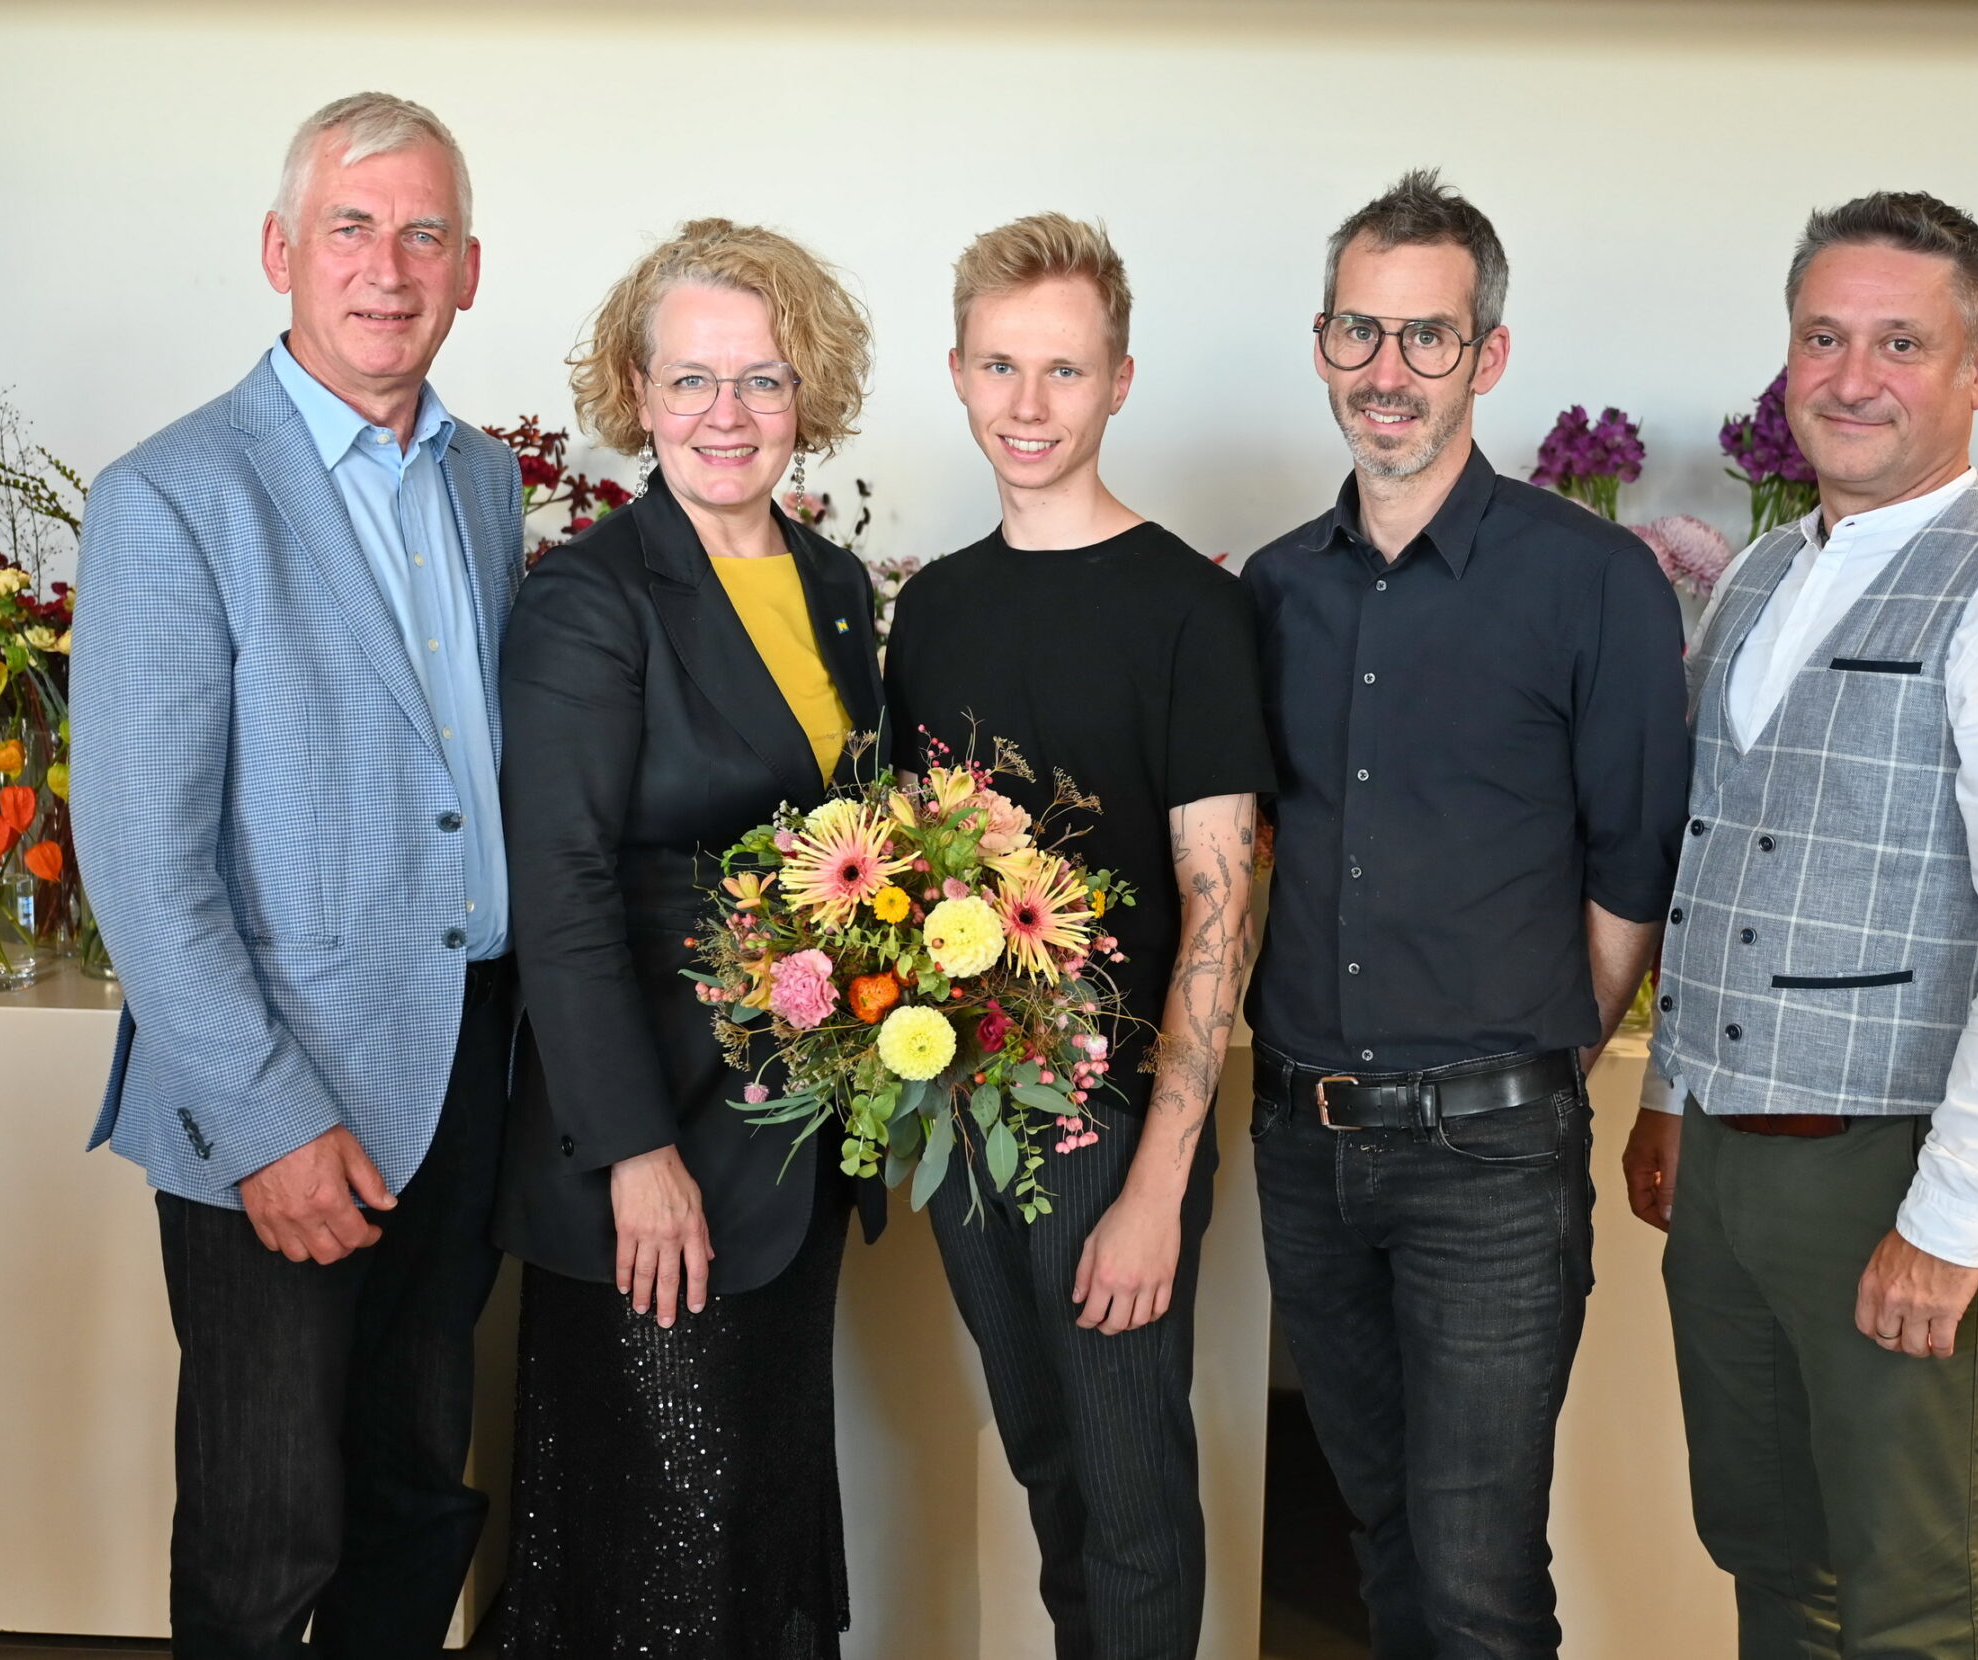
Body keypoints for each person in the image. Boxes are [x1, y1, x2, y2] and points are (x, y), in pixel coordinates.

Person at [1621, 191, 1978, 1659]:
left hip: (1898, 1174)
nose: (1851, 376)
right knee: (1768, 1558)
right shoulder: (1759, 576)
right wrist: (1674, 1096)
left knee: (1911, 1602)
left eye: (1901, 343)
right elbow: (1716, 859)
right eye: (1824, 336)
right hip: (1735, 1168)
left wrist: (1948, 1217)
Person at [73, 93, 520, 1657]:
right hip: (276, 1099)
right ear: (280, 251)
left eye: (423, 234)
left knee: (416, 1503)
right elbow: (140, 858)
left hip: (462, 1070)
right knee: (271, 1544)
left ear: (470, 267)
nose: (387, 268)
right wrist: (271, 1124)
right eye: (351, 226)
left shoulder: (482, 483)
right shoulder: (173, 497)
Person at [1239, 169, 1690, 1660]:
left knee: (1483, 1578)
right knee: (1376, 1538)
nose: (1388, 372)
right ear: (1321, 345)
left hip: (1492, 1154)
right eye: (1358, 334)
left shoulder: (1594, 583)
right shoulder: (1271, 589)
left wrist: (1534, 1056)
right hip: (1305, 1141)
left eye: (1425, 338)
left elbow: (1635, 867)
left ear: (1487, 355)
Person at [491, 218, 886, 1659]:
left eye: (764, 380)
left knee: (756, 1542)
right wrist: (635, 1155)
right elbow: (565, 891)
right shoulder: (588, 600)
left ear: (810, 393)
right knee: (654, 1570)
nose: (728, 415)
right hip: (653, 1163)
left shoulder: (835, 591)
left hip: (793, 1151)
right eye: (694, 381)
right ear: (638, 394)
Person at [882, 213, 1272, 1660]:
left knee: (1130, 1496)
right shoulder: (934, 607)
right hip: (960, 1104)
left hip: (1112, 1121)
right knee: (1047, 1465)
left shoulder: (1193, 610)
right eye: (1001, 366)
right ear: (959, 372)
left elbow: (1222, 907)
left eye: (1064, 369)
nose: (1028, 405)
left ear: (1120, 382)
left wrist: (1158, 1182)